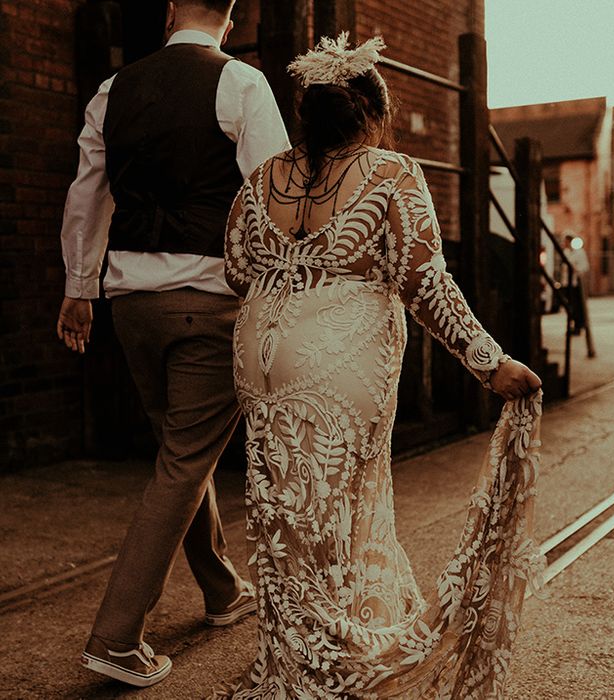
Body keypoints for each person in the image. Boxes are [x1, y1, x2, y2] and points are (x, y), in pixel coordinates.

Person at [212, 33, 544, 698]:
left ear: (309, 114)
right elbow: (426, 285)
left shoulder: (258, 181)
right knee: (337, 509)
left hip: (260, 359)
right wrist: (490, 363)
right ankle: (333, 664)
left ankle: (291, 658)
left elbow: (235, 270)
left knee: (283, 513)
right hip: (340, 356)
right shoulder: (391, 174)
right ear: (372, 113)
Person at [56, 0, 290, 687]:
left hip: (131, 305)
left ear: (166, 12)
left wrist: (78, 287)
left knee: (179, 452)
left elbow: (87, 193)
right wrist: (277, 294)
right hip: (210, 301)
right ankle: (117, 637)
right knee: (185, 462)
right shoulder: (241, 84)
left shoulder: (113, 90)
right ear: (232, 14)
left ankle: (222, 592)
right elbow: (271, 196)